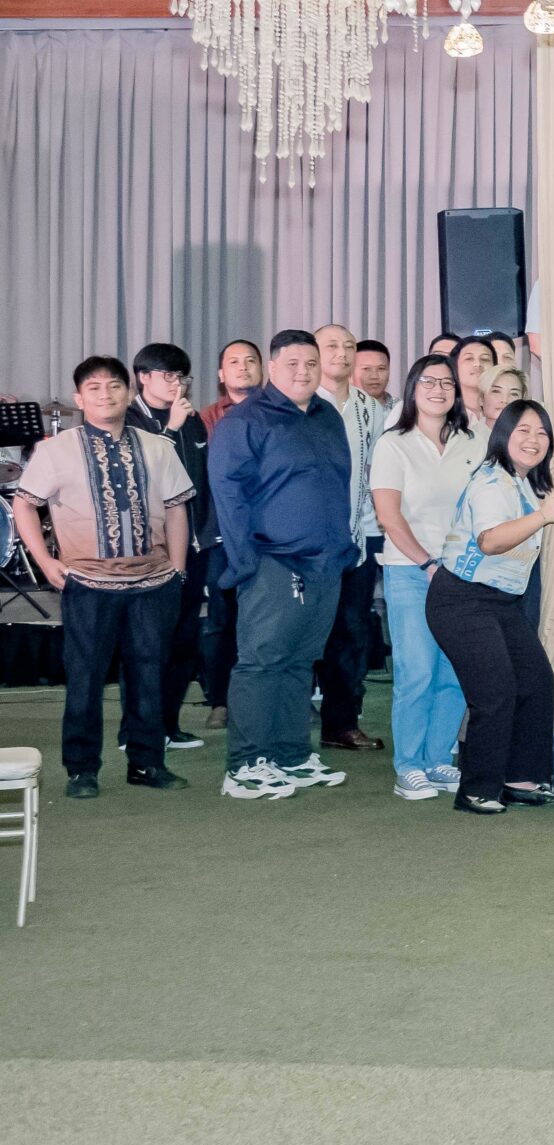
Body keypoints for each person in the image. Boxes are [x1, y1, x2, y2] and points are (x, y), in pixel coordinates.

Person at [10, 356, 196, 799]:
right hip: (87, 583)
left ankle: (147, 763)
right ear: (79, 399)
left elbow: (176, 508)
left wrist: (178, 568)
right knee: (86, 677)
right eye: (93, 388)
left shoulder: (157, 446)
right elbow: (24, 504)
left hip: (153, 583)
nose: (105, 394)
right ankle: (81, 770)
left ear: (128, 393)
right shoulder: (55, 450)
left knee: (149, 673)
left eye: (114, 386)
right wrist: (45, 562)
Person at [206, 330, 357, 803]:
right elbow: (228, 495)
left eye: (311, 363)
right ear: (271, 368)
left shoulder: (327, 416)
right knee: (262, 662)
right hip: (271, 560)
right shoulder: (245, 420)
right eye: (292, 363)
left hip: (326, 562)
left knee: (299, 662)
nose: (303, 372)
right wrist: (247, 561)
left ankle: (291, 756)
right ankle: (246, 765)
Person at [425, 400, 554, 816]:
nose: (534, 439)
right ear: (503, 435)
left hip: (500, 602)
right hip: (462, 599)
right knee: (496, 690)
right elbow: (490, 541)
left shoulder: (523, 482)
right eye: (523, 430)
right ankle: (476, 789)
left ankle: (519, 779)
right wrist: (544, 517)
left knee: (536, 681)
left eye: (542, 432)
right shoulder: (493, 481)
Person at [367, 354, 486, 800]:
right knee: (417, 671)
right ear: (413, 389)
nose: (438, 390)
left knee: (455, 671)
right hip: (411, 571)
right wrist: (428, 564)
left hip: (463, 574)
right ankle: (409, 766)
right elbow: (389, 516)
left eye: (447, 383)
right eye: (429, 382)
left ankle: (438, 759)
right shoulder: (393, 444)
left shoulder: (473, 440)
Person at [128, 342, 219, 741]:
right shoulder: (128, 419)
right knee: (147, 644)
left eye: (182, 377)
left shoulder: (193, 421)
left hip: (193, 546)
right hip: (148, 550)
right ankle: (137, 730)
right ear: (143, 377)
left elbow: (201, 481)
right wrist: (171, 429)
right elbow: (145, 476)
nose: (176, 384)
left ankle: (168, 724)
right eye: (167, 375)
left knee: (183, 640)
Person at [309, 324, 386, 753]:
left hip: (361, 536)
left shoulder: (370, 409)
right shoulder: (301, 403)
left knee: (352, 631)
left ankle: (341, 723)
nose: (341, 353)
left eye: (348, 346)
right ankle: (289, 722)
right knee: (305, 631)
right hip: (307, 544)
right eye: (331, 345)